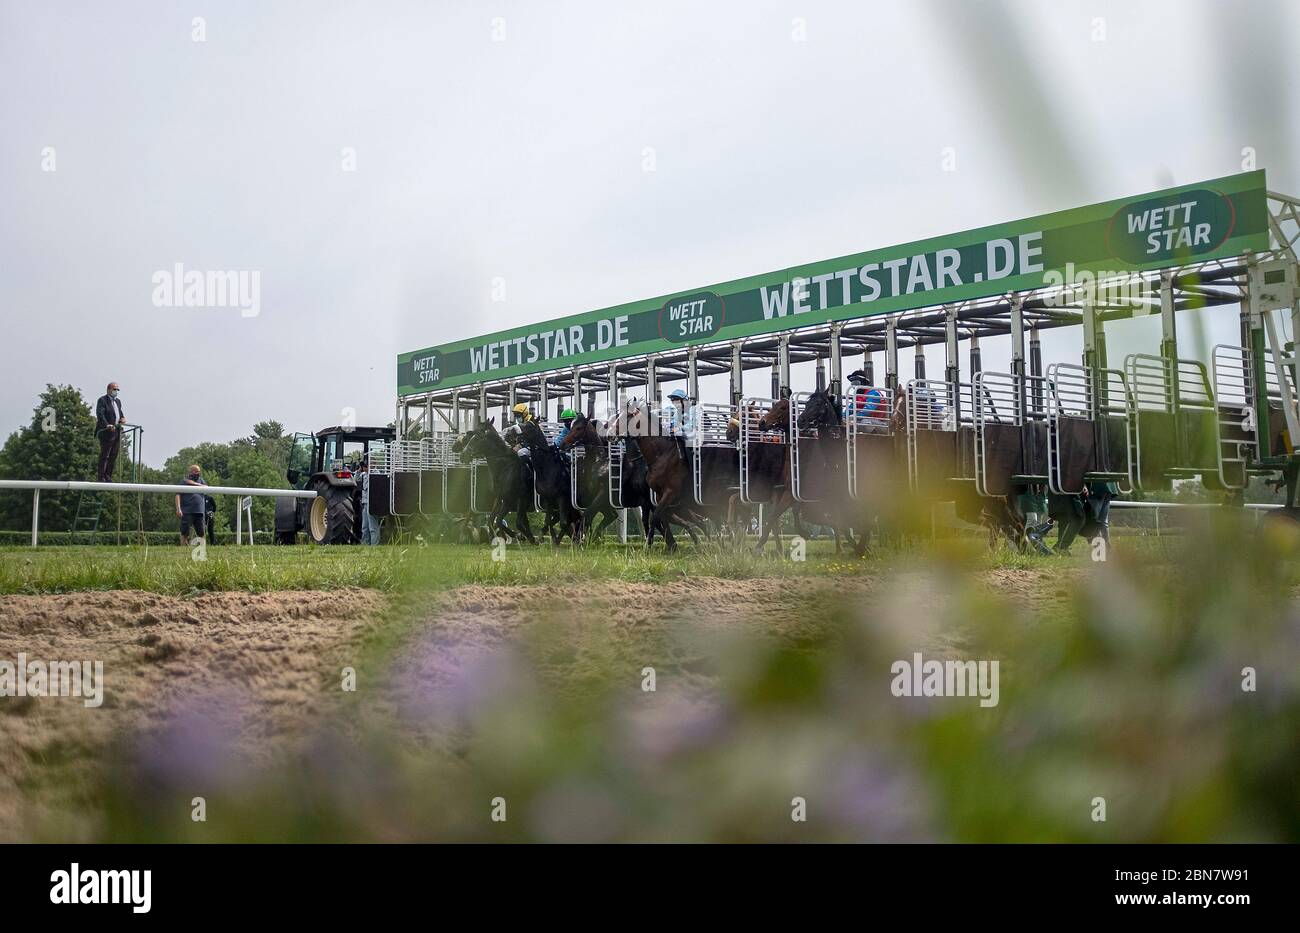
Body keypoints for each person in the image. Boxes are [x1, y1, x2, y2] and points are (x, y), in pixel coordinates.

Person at [94, 382, 126, 482]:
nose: (116, 391)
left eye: (117, 390)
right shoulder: (102, 400)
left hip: (116, 432)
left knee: (113, 455)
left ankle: (108, 476)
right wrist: (107, 424)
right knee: (105, 455)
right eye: (114, 389)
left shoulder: (118, 402)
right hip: (106, 432)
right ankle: (101, 476)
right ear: (109, 390)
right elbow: (100, 414)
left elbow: (119, 413)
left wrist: (122, 419)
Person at [175, 463, 208, 544]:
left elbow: (206, 488)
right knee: (184, 532)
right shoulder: (183, 482)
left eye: (199, 471)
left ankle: (202, 550)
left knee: (201, 532)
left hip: (199, 511)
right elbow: (177, 495)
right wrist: (178, 508)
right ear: (191, 472)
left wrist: (193, 483)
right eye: (196, 471)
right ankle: (183, 549)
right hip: (187, 511)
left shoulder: (201, 481)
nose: (198, 473)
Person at [358, 460, 381, 545]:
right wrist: (359, 470)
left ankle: (374, 544)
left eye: (365, 466)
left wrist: (371, 468)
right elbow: (356, 478)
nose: (364, 468)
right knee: (365, 526)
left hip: (372, 502)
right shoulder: (363, 475)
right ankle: (364, 543)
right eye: (363, 466)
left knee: (373, 526)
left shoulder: (376, 474)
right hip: (365, 502)